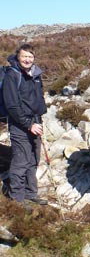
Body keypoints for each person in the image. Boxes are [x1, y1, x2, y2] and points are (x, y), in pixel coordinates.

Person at [3, 44, 48, 207]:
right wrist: (29, 124)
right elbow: (12, 106)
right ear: (18, 57)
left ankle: (30, 193)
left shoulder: (35, 75)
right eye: (24, 56)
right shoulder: (12, 75)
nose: (27, 59)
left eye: (30, 56)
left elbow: (38, 98)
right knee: (20, 161)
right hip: (19, 125)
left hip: (35, 122)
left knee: (33, 160)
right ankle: (17, 198)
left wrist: (38, 120)